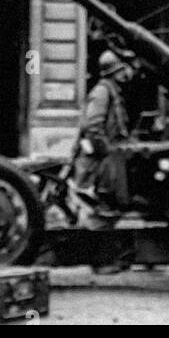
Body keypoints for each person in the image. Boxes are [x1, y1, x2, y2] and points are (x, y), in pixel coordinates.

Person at [72, 50, 133, 215]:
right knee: (95, 214)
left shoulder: (113, 91)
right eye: (122, 70)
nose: (127, 73)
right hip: (97, 166)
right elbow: (93, 127)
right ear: (116, 72)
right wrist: (107, 150)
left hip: (107, 162)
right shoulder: (102, 92)